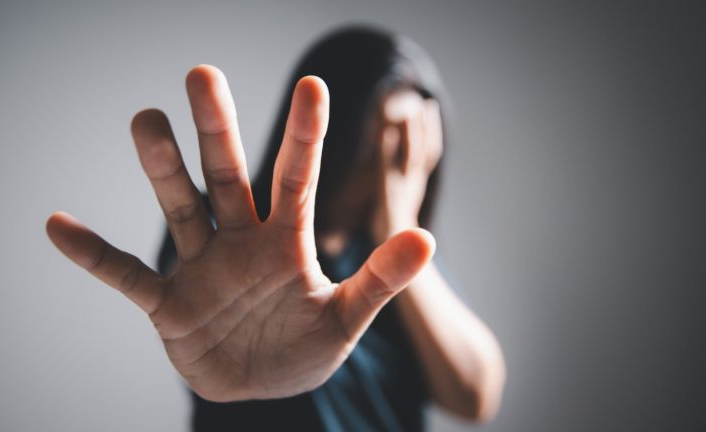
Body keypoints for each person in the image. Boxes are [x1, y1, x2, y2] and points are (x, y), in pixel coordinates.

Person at [47, 26, 505, 431]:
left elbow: (475, 397)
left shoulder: (398, 270)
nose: (386, 174)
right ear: (343, 132)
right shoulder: (221, 238)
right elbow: (190, 291)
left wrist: (398, 226)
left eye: (408, 152)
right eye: (377, 146)